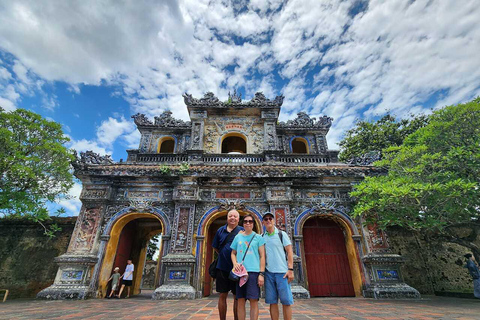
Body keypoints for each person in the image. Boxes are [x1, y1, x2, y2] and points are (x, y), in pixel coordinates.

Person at [231, 214, 265, 320]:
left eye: (250, 221)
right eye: (245, 221)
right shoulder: (238, 237)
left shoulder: (258, 238)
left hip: (253, 272)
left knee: (253, 300)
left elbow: (262, 256)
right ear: (243, 223)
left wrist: (261, 273)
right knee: (240, 300)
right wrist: (235, 263)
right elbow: (233, 253)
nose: (248, 223)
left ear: (253, 224)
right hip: (240, 272)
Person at [262, 212, 294, 320]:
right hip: (269, 272)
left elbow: (289, 251)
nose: (268, 221)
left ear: (274, 221)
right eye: (266, 219)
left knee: (286, 301)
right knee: (272, 302)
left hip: (282, 272)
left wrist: (290, 269)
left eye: (270, 218)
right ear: (263, 222)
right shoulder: (262, 237)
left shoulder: (281, 234)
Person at [212, 209, 243, 320]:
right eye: (230, 216)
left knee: (237, 297)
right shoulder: (221, 230)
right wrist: (224, 254)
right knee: (222, 295)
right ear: (227, 218)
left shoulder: (242, 231)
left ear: (238, 219)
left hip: (237, 268)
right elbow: (215, 247)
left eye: (235, 216)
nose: (232, 218)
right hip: (222, 267)